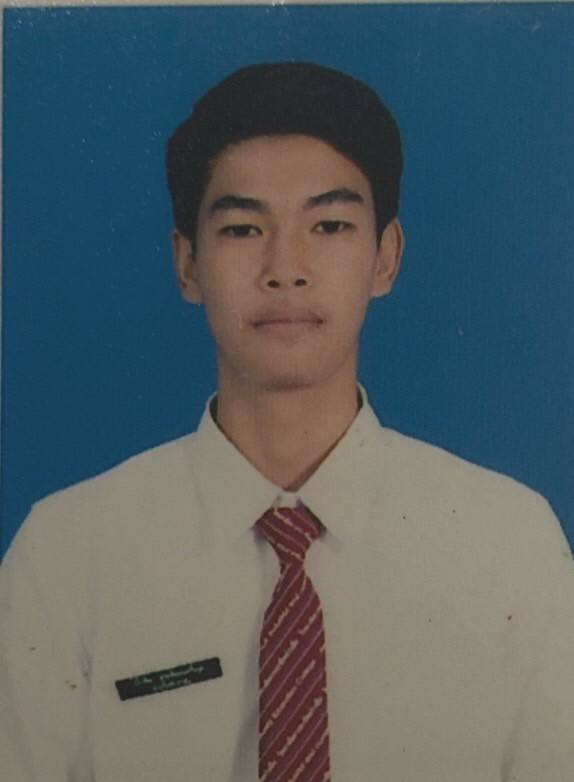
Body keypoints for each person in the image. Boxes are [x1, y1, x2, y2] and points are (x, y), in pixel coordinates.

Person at [1, 61, 573, 782]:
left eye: (329, 225)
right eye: (243, 228)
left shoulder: (509, 546)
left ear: (386, 257)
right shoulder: (66, 555)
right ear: (188, 265)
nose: (285, 268)